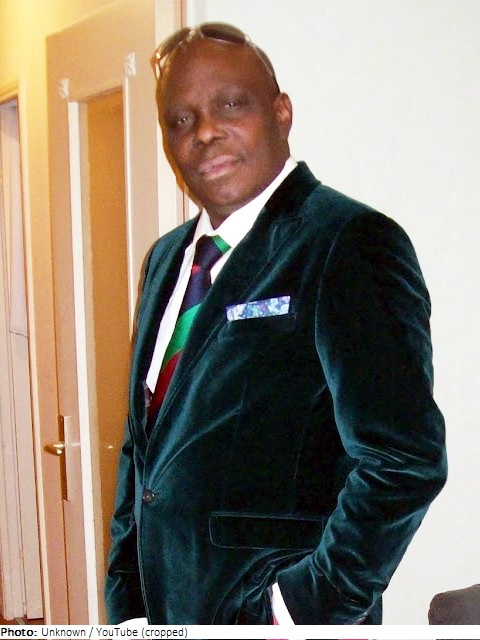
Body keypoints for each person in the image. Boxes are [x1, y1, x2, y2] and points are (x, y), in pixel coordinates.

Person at [105, 22, 447, 626]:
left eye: (231, 105)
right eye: (181, 120)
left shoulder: (348, 242)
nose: (204, 132)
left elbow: (403, 459)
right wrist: (128, 603)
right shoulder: (164, 262)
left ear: (281, 112)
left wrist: (298, 609)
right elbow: (144, 452)